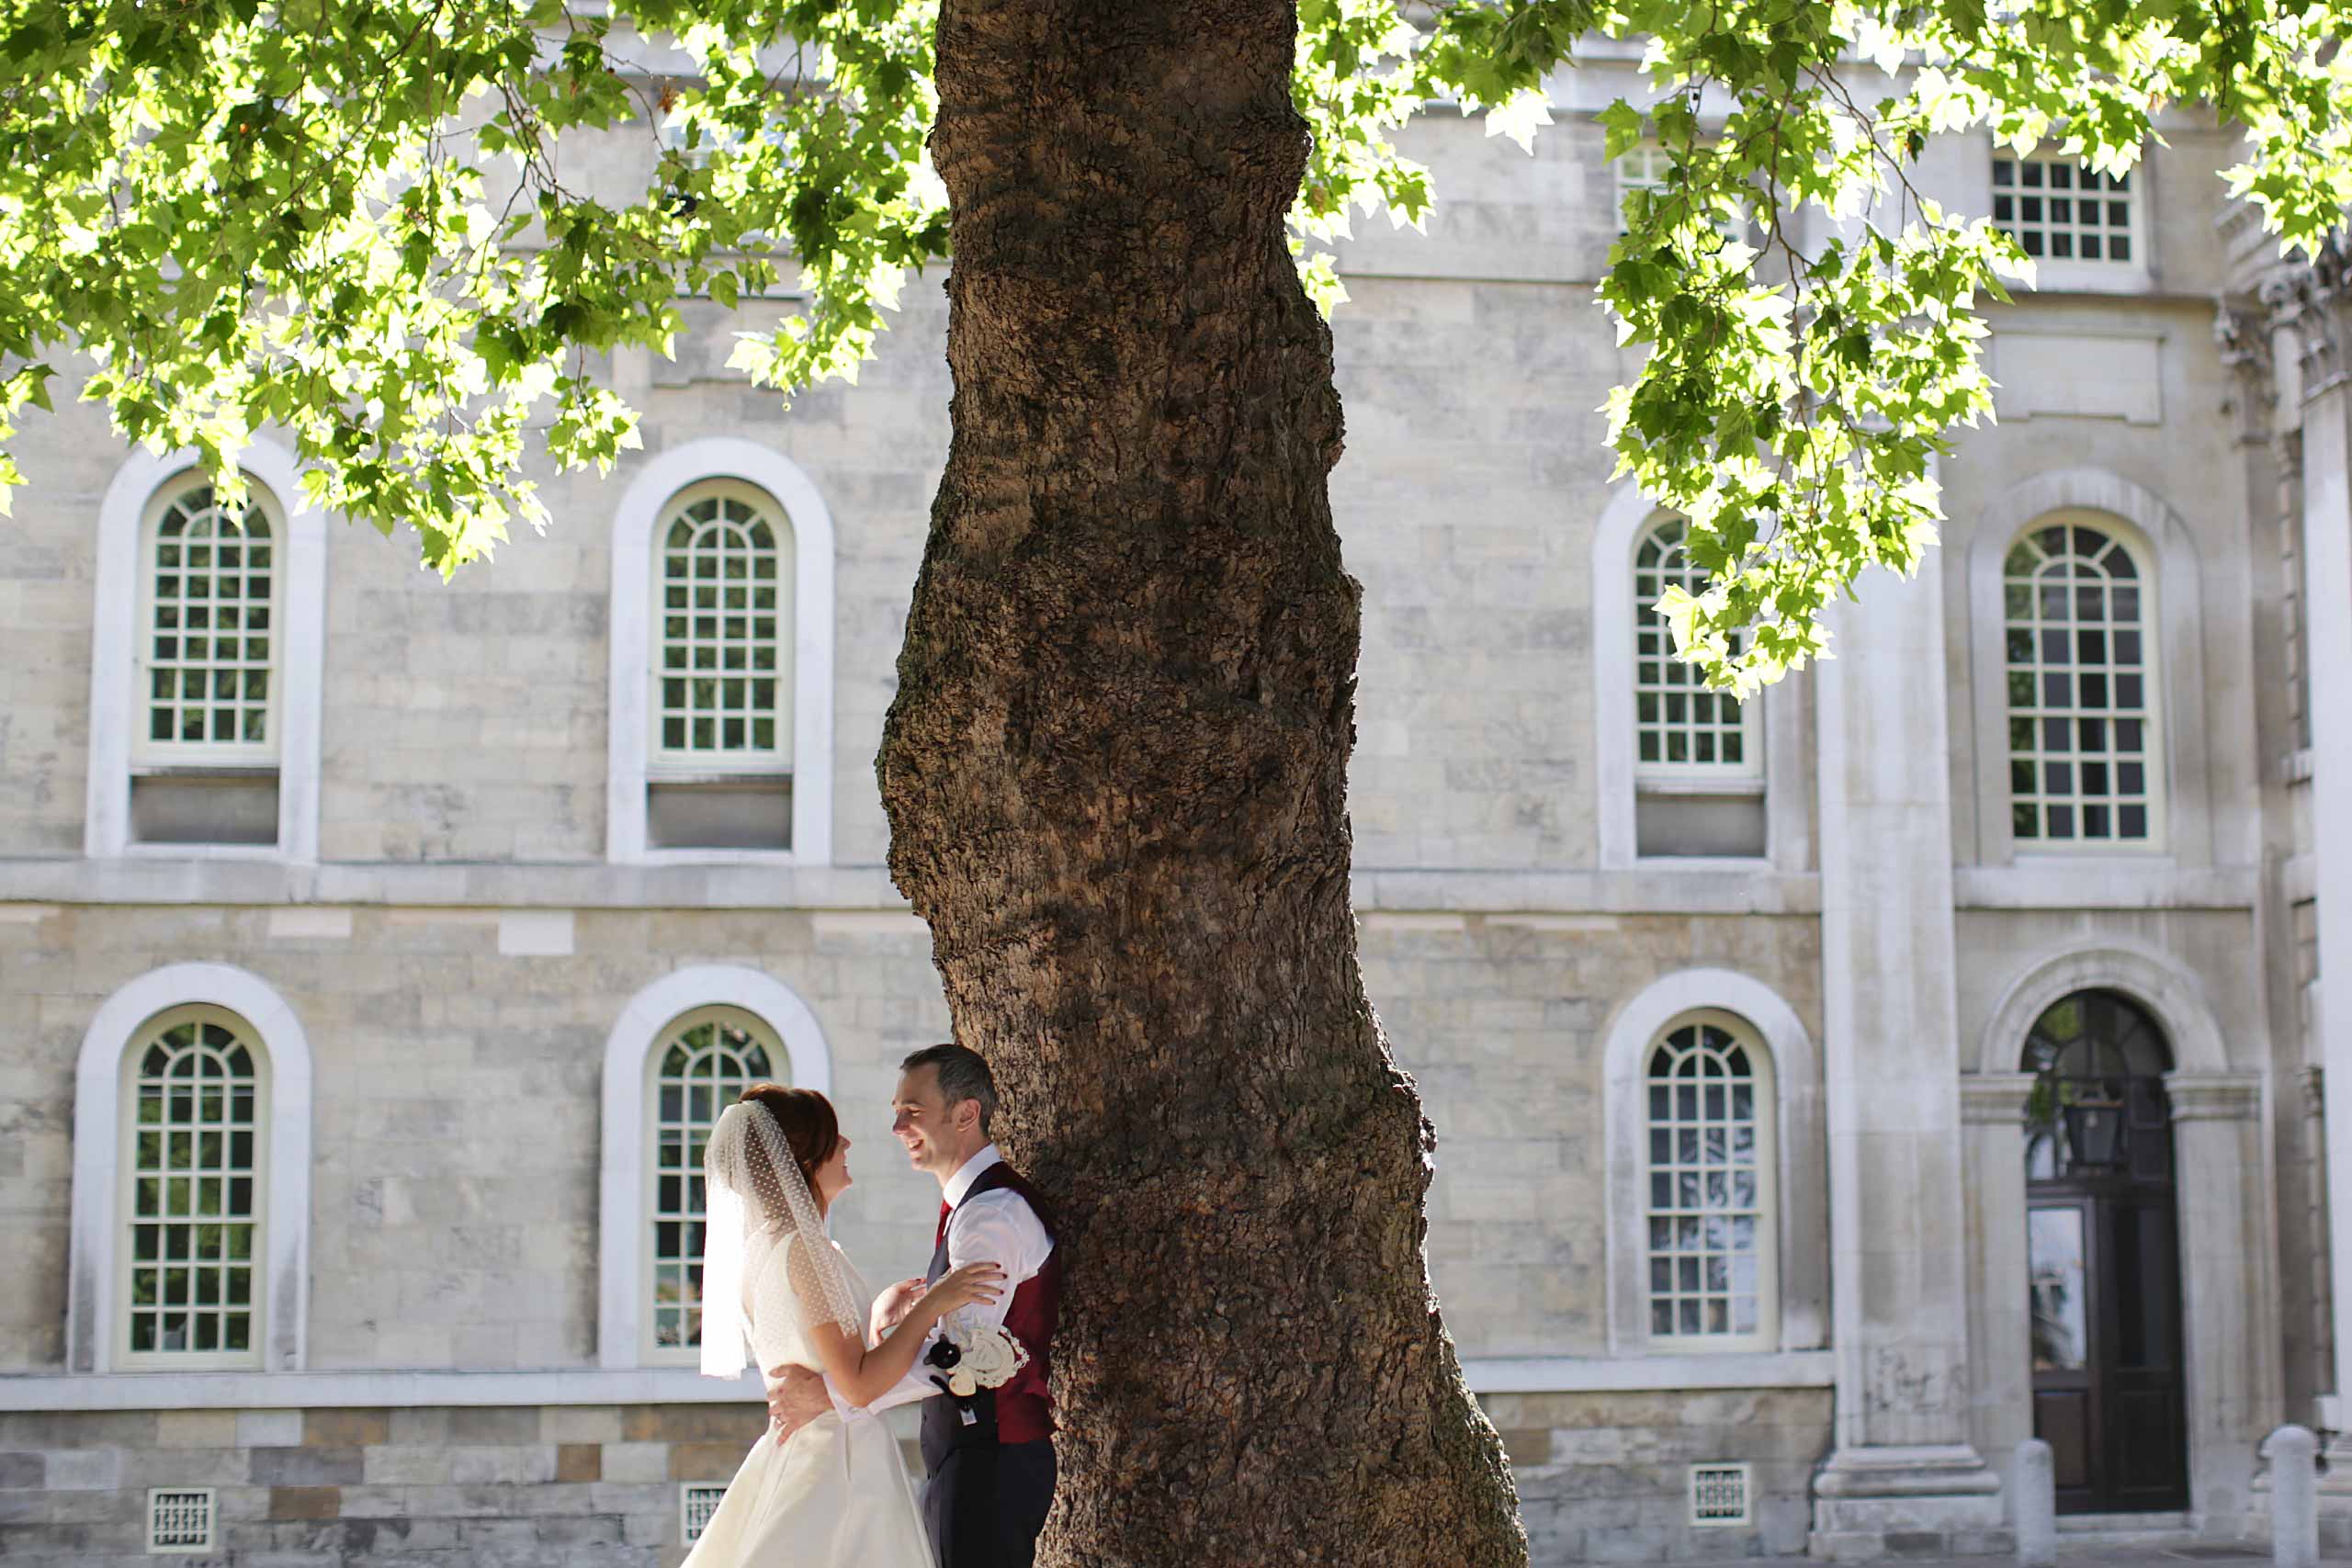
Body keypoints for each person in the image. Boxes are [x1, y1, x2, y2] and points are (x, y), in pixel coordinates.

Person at [682, 1082, 1004, 1568]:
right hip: (841, 1467)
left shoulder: (766, 1249)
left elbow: (832, 1361)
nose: (848, 1146)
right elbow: (857, 1386)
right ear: (805, 1160)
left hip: (799, 1451)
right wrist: (933, 1304)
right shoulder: (807, 1252)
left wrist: (877, 1322)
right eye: (835, 1139)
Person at [768, 1043, 1063, 1568]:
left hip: (989, 1460)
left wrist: (833, 1394)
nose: (897, 1127)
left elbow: (967, 1357)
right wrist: (895, 1325)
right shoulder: (971, 1209)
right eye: (897, 1112)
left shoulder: (989, 1214)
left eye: (913, 1111)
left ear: (966, 1113)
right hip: (974, 1458)